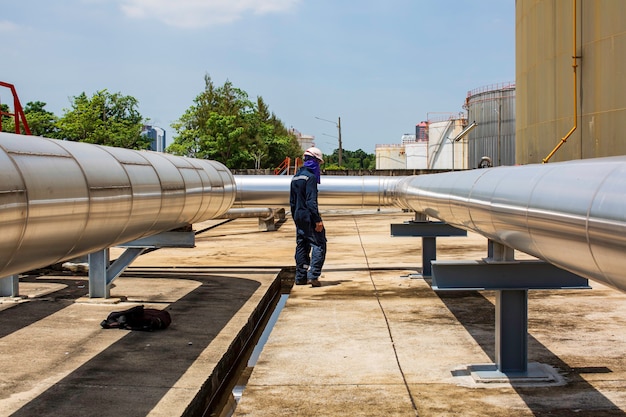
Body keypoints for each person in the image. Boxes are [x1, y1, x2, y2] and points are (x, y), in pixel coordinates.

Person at [290, 147, 327, 287]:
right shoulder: (310, 178)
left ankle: (300, 277)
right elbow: (311, 202)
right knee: (319, 244)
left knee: (302, 245)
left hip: (298, 216)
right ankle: (313, 275)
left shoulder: (296, 177)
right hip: (308, 216)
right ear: (315, 161)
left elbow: (292, 202)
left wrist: (296, 218)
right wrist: (317, 220)